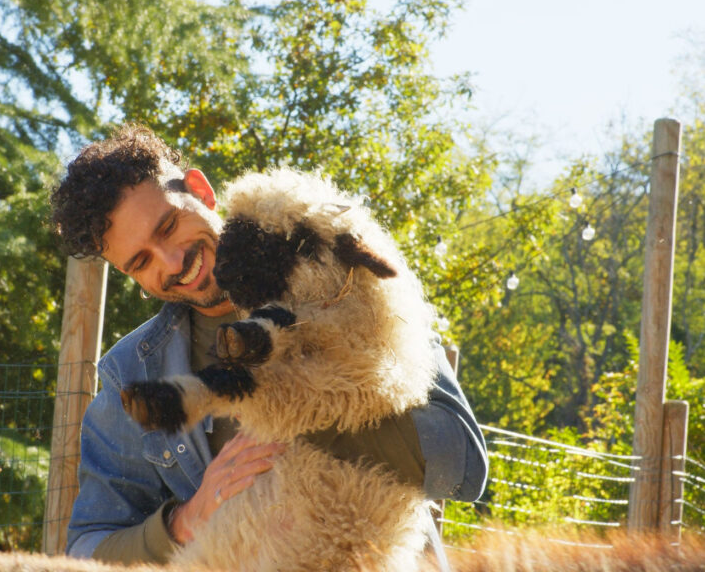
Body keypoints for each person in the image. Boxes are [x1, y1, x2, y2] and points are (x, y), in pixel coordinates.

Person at [49, 124, 488, 564]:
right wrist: (184, 521)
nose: (173, 262)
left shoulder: (342, 280)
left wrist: (300, 406)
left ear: (200, 191)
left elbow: (465, 465)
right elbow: (87, 549)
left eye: (168, 226)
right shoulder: (131, 373)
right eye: (141, 261)